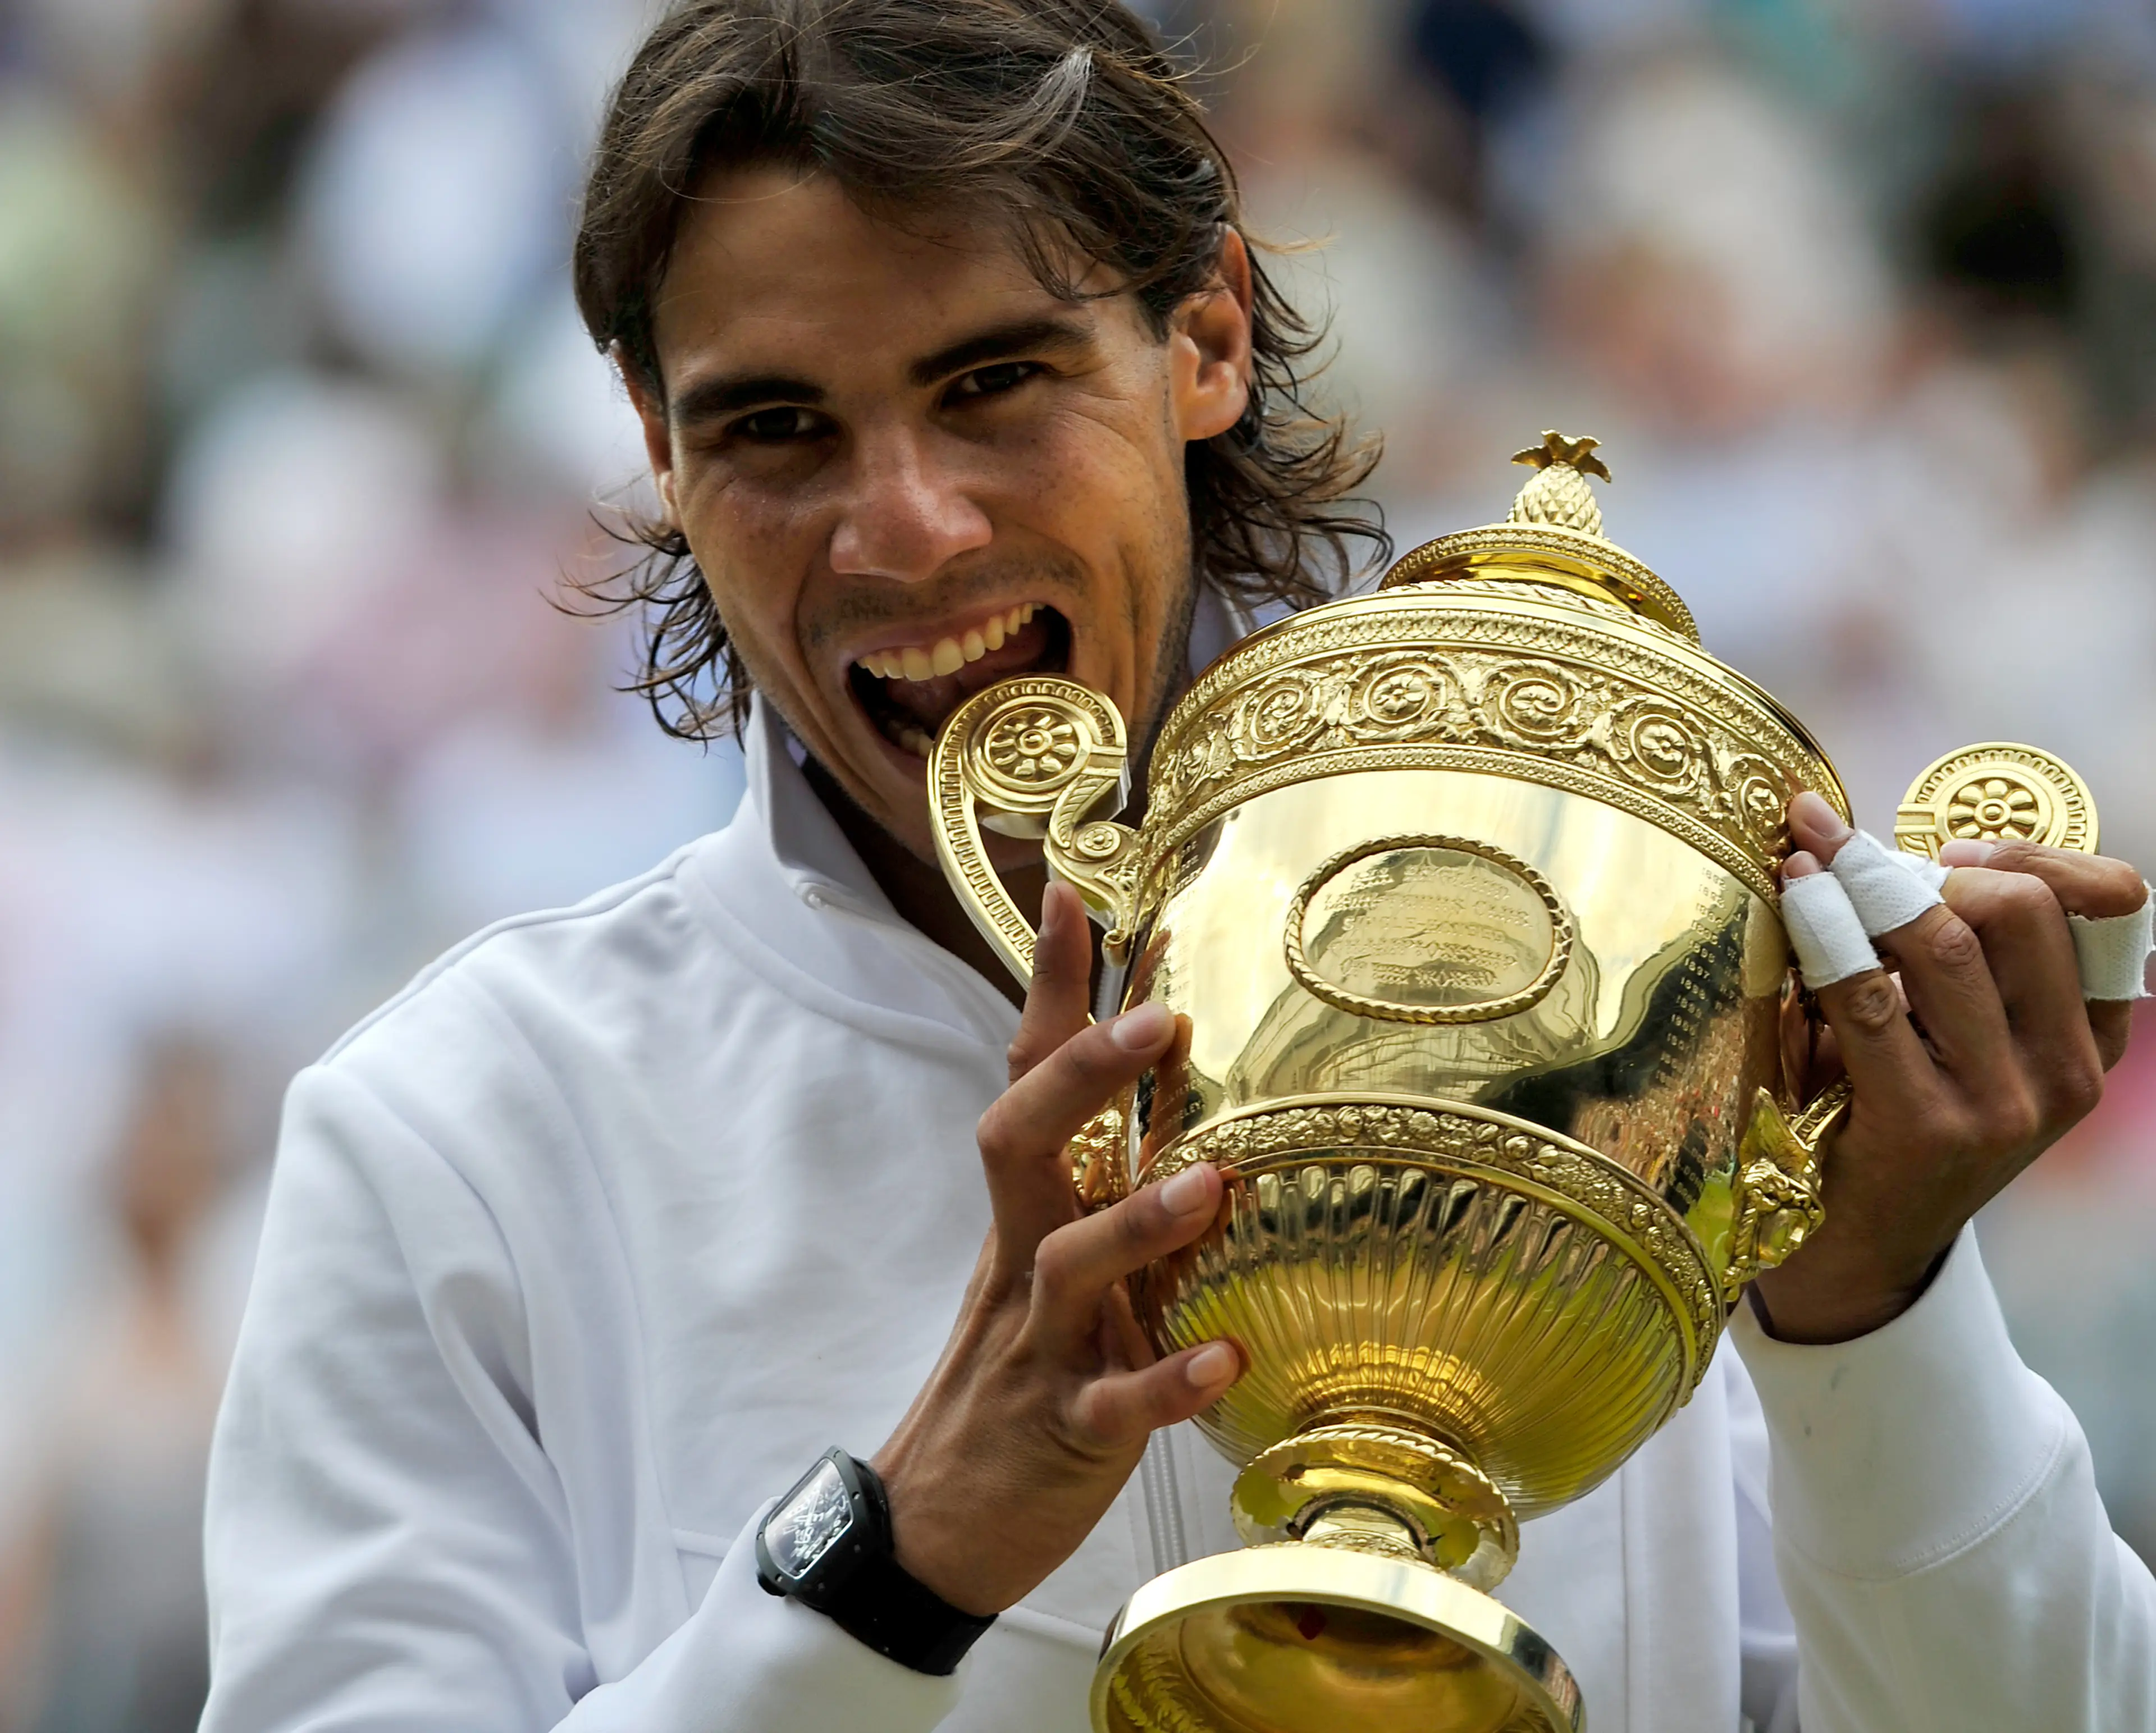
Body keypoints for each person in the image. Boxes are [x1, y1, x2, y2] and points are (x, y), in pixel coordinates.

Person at [198, 4, 2156, 1730]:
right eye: (779, 429)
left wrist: (1876, 1311)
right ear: (658, 446)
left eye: (995, 384)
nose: (907, 529)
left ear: (1206, 335)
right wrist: (889, 1568)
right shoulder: (457, 1136)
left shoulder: (1643, 1016)